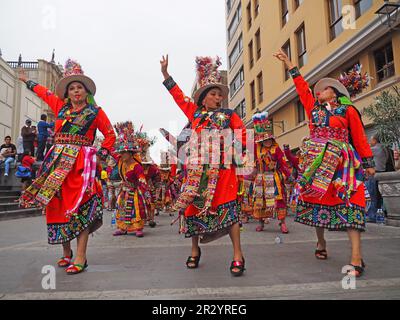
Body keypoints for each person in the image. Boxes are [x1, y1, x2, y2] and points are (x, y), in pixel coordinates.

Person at [274, 48, 376, 277]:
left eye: (324, 89)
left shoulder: (348, 110)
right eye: (317, 90)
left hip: (343, 163)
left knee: (352, 203)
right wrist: (290, 63)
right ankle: (320, 242)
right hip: (318, 163)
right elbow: (301, 87)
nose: (318, 91)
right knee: (318, 202)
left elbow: (359, 136)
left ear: (335, 92)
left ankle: (356, 257)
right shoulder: (313, 109)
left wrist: (368, 162)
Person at [18, 59, 116, 275]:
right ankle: (66, 252)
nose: (75, 91)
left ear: (86, 90)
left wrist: (101, 155)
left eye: (79, 87)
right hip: (57, 163)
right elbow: (45, 93)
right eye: (71, 88)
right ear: (67, 93)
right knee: (58, 205)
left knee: (80, 207)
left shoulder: (95, 112)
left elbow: (110, 135)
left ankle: (81, 256)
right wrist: (27, 81)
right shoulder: (60, 107)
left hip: (82, 164)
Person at [160, 55, 247, 276]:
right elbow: (179, 97)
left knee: (230, 210)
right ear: (203, 98)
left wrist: (228, 146)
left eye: (220, 94)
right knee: (193, 208)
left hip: (224, 169)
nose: (218, 97)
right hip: (198, 169)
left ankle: (238, 254)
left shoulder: (229, 115)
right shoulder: (195, 114)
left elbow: (243, 136)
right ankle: (194, 249)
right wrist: (166, 75)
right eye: (213, 94)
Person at [251, 112, 291, 234]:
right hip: (261, 178)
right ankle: (261, 222)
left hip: (274, 178)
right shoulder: (257, 149)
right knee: (260, 201)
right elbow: (252, 159)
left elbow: (283, 162)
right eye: (264, 140)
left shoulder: (276, 149)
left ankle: (283, 223)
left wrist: (287, 175)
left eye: (269, 139)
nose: (267, 141)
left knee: (279, 200)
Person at [111, 122, 151, 237]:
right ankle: (122, 228)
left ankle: (138, 227)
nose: (122, 155)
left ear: (130, 154)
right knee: (122, 208)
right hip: (124, 191)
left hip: (134, 191)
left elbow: (142, 180)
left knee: (135, 208)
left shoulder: (137, 166)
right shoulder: (121, 164)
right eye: (121, 153)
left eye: (124, 153)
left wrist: (145, 193)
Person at [366, 135, 388, 222]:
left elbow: (364, 152)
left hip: (374, 173)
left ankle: (372, 215)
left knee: (371, 195)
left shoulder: (375, 148)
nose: (369, 142)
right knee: (379, 196)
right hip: (382, 172)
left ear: (375, 140)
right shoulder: (385, 149)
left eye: (370, 140)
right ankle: (377, 214)